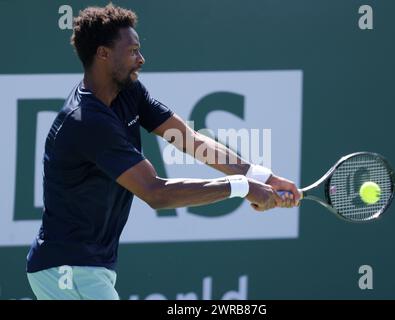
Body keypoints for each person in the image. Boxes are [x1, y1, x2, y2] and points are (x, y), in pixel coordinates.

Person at [26, 4, 301, 300]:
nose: (141, 59)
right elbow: (156, 193)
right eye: (132, 51)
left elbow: (190, 140)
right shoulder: (88, 121)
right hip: (69, 272)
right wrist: (242, 187)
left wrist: (263, 177)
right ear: (103, 54)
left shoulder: (129, 92)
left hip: (81, 269)